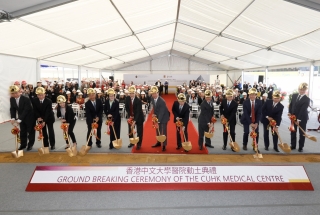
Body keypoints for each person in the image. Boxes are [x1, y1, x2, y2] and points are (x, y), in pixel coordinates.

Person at [9, 85, 35, 151]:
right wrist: (13, 118)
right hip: (21, 117)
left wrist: (20, 119)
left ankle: (30, 145)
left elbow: (26, 110)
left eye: (16, 93)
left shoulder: (26, 99)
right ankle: (23, 145)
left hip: (29, 117)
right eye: (13, 93)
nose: (14, 94)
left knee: (30, 131)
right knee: (23, 132)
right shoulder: (12, 99)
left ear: (19, 92)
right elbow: (13, 109)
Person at [288, 83, 310, 152]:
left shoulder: (307, 99)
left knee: (302, 133)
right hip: (293, 117)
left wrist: (298, 119)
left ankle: (301, 147)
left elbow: (302, 110)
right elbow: (291, 105)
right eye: (300, 89)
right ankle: (293, 145)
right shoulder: (294, 96)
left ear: (305, 90)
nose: (301, 91)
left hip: (302, 118)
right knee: (293, 131)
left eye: (303, 90)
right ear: (298, 89)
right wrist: (290, 113)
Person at [150, 86, 170, 151]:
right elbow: (155, 108)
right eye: (152, 94)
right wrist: (154, 114)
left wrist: (158, 122)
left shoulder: (162, 101)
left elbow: (162, 112)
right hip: (158, 116)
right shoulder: (152, 99)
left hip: (164, 117)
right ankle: (158, 142)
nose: (153, 95)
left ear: (157, 93)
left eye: (154, 93)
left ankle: (164, 145)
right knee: (157, 130)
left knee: (163, 131)